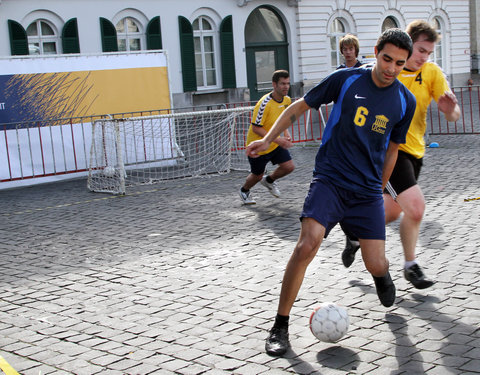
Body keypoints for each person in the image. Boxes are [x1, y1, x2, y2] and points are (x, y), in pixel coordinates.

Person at [246, 28, 416, 357]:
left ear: (406, 64)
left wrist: (379, 191)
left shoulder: (403, 102)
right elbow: (299, 107)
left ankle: (382, 274)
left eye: (399, 63)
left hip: (366, 191)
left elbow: (393, 150)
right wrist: (268, 141)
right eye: (386, 58)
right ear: (376, 50)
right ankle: (280, 325)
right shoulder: (347, 79)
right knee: (306, 244)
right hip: (330, 179)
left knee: (375, 262)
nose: (391, 68)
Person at [341, 20, 461, 289]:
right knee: (416, 207)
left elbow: (454, 116)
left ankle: (355, 233)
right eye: (420, 50)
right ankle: (410, 266)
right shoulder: (386, 72)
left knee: (392, 211)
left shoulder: (431, 73)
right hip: (390, 151)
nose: (423, 57)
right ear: (407, 46)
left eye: (428, 53)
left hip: (416, 151)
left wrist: (449, 109)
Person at [239, 70, 295, 205]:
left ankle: (269, 180)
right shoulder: (264, 104)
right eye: (282, 84)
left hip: (275, 144)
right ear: (274, 84)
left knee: (289, 167)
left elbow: (284, 119)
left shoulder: (287, 100)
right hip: (258, 145)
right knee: (257, 175)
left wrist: (286, 134)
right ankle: (244, 190)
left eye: (288, 83)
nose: (286, 87)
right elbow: (256, 128)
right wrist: (278, 139)